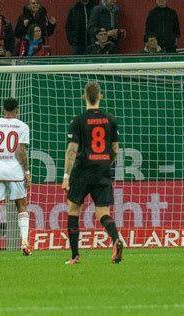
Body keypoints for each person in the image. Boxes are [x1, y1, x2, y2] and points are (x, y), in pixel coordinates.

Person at [61, 81, 123, 265]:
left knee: (73, 210)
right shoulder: (110, 119)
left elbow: (72, 150)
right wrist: (105, 162)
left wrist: (66, 176)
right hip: (102, 169)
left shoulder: (78, 120)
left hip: (82, 170)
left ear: (84, 97)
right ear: (100, 97)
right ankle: (116, 239)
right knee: (103, 212)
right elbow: (115, 149)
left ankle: (75, 256)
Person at [0, 98, 32, 256]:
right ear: (17, 110)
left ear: (3, 109)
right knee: (21, 206)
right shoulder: (22, 126)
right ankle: (24, 241)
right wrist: (26, 172)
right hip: (14, 169)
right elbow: (21, 152)